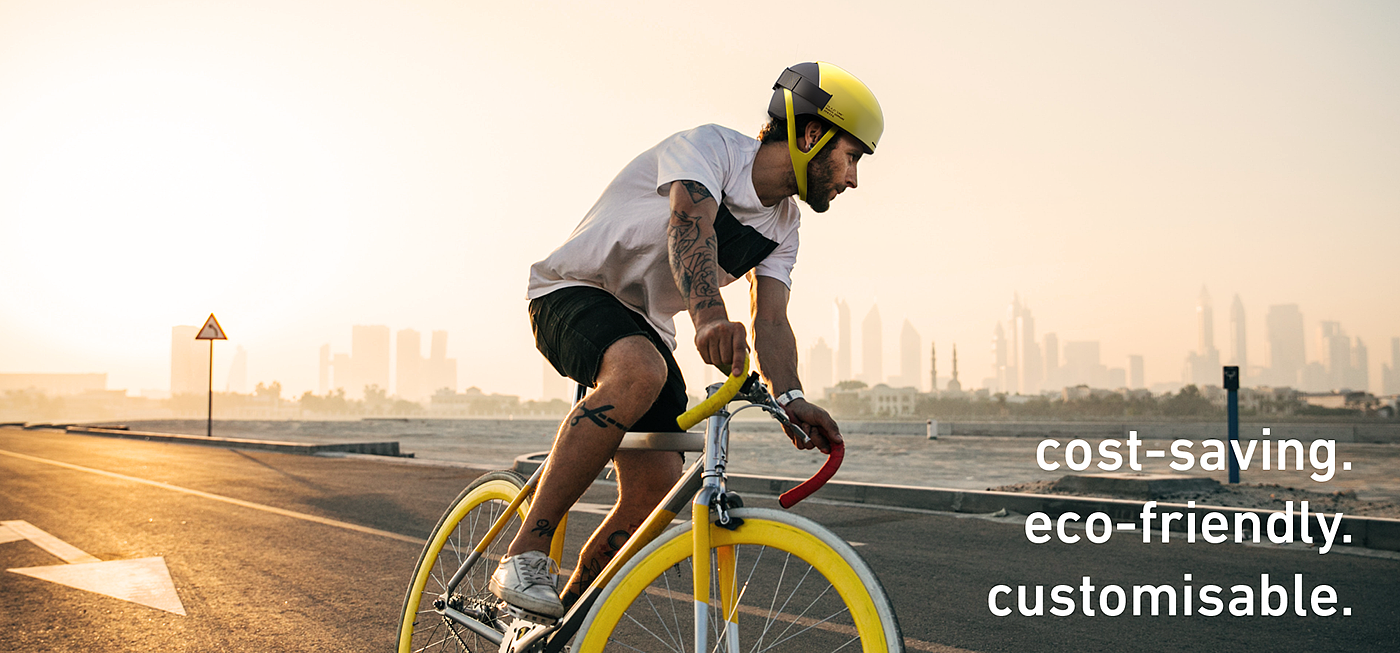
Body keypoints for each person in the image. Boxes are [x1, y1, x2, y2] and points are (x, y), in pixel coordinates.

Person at [489, 61, 884, 620]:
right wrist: (706, 318)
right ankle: (524, 555)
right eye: (851, 157)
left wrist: (793, 399)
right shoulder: (711, 150)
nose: (852, 178)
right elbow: (688, 224)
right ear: (813, 134)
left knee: (657, 491)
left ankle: (561, 618)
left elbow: (771, 322)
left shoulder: (785, 228)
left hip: (644, 326)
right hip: (570, 290)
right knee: (640, 370)